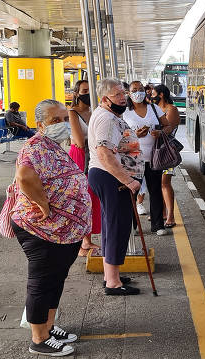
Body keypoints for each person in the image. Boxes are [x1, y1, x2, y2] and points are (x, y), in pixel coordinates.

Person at [11, 99, 90, 357]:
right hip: (40, 229)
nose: (62, 125)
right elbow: (24, 177)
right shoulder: (34, 147)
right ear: (40, 124)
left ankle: (49, 326)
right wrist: (43, 202)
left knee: (55, 279)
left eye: (64, 119)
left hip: (60, 230)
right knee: (42, 281)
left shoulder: (52, 146)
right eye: (55, 121)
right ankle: (39, 339)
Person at [88, 78, 144, 296]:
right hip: (112, 179)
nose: (124, 98)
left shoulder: (108, 115)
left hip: (110, 177)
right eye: (118, 95)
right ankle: (112, 282)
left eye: (123, 93)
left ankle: (111, 274)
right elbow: (104, 153)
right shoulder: (107, 120)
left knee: (112, 225)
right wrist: (128, 180)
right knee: (116, 226)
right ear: (105, 98)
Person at [123, 81, 176, 236]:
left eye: (140, 89)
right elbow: (119, 134)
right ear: (129, 93)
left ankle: (158, 225)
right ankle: (132, 226)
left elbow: (168, 126)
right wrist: (134, 135)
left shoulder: (154, 108)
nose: (138, 92)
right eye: (134, 90)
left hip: (154, 157)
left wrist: (161, 133)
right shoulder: (125, 112)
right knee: (131, 193)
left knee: (155, 191)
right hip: (132, 160)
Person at [67, 80, 102, 256]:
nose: (88, 94)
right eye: (84, 90)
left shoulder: (93, 111)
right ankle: (81, 243)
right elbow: (80, 142)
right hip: (80, 157)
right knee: (82, 198)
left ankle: (87, 241)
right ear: (77, 93)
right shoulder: (72, 112)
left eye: (90, 90)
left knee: (93, 198)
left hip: (94, 156)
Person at [153, 84, 181, 228]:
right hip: (155, 151)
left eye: (153, 94)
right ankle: (162, 213)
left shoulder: (172, 109)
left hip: (167, 152)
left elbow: (168, 129)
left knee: (165, 183)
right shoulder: (155, 109)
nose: (151, 96)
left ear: (161, 94)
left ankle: (171, 216)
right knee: (158, 184)